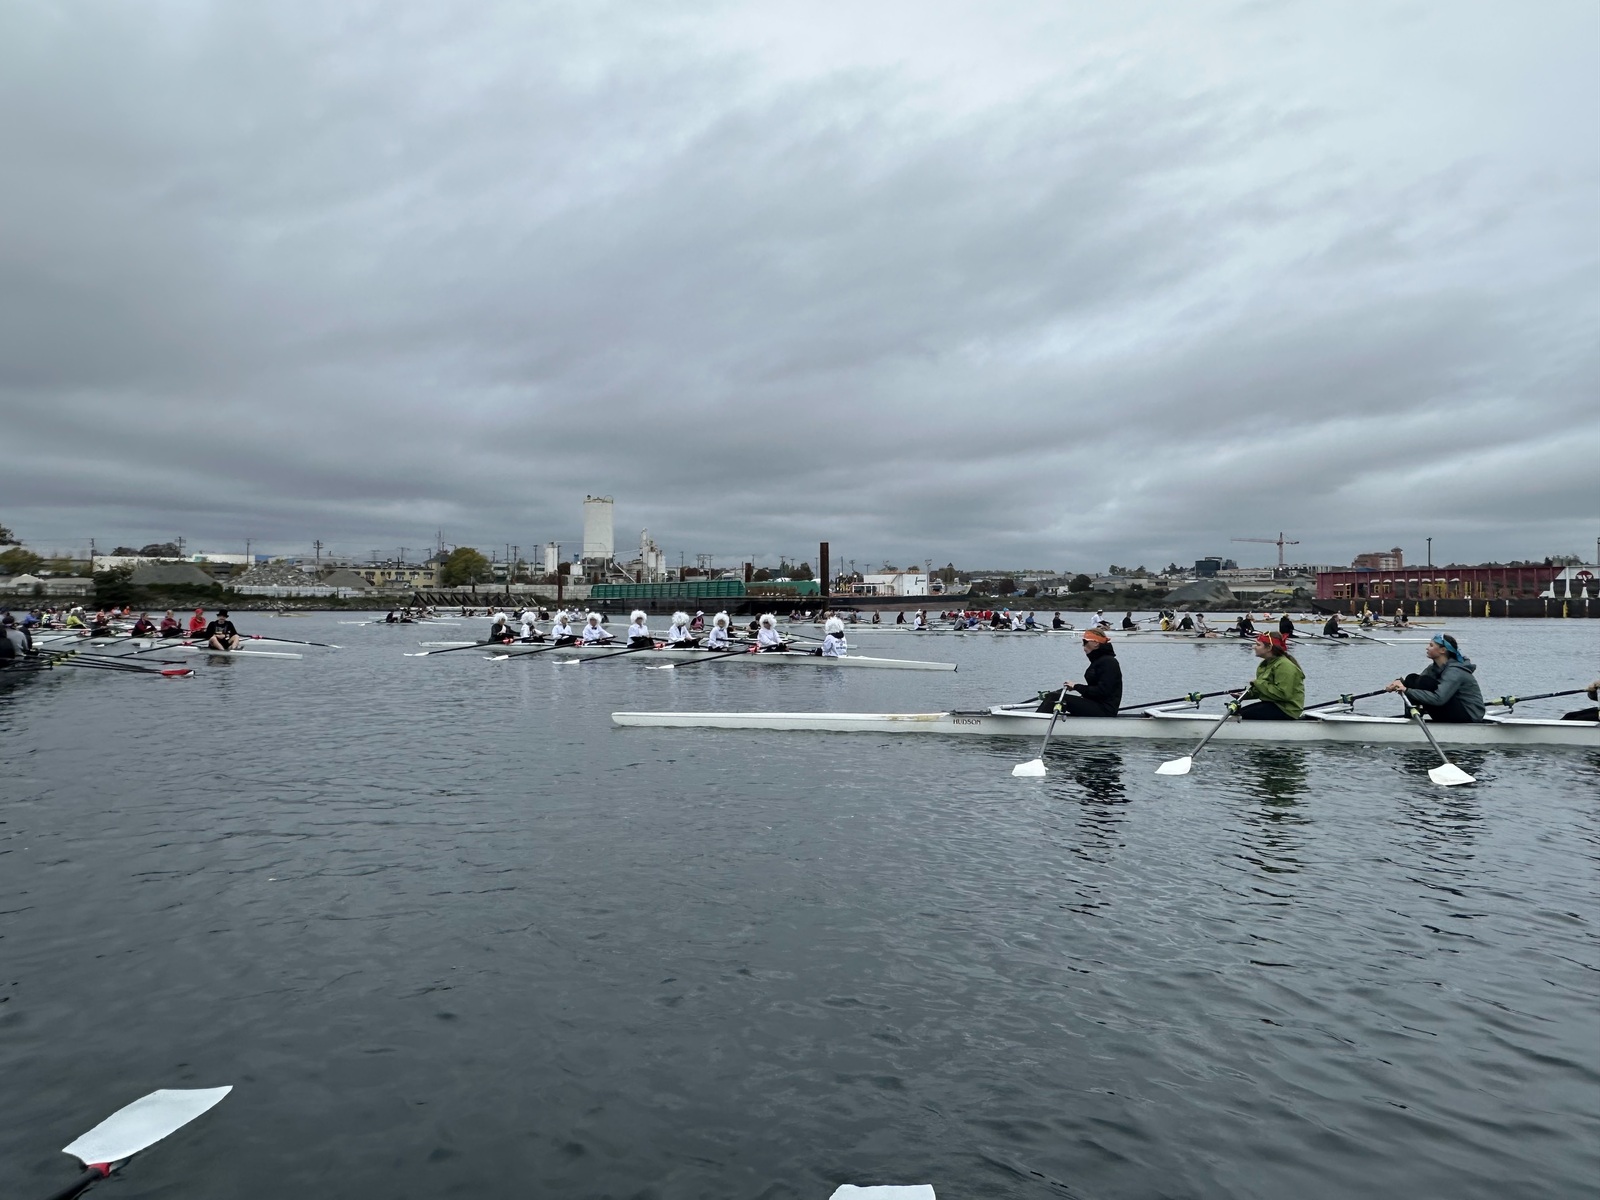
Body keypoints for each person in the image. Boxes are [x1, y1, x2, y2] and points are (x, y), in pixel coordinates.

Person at [1384, 634, 1484, 723]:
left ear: (1443, 650)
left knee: (1424, 681)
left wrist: (1406, 690)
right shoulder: (1433, 668)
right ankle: (1412, 717)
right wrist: (1399, 684)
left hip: (1469, 715)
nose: (1427, 648)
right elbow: (1415, 685)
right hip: (1452, 708)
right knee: (1411, 678)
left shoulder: (1455, 671)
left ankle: (1415, 717)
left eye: (1431, 646)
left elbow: (1439, 699)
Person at [1037, 628, 1123, 717]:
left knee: (1053, 698)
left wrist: (1076, 687)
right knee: (1054, 696)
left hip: (1105, 710)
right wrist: (1076, 689)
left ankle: (1035, 724)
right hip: (1097, 705)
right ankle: (1040, 721)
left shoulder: (1108, 662)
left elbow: (1102, 692)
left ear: (1096, 643)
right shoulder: (1100, 661)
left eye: (1085, 643)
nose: (1083, 647)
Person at [1231, 633, 1304, 720]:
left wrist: (1257, 683)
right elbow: (1264, 690)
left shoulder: (1284, 666)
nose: (1254, 647)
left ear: (1269, 648)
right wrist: (1246, 695)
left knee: (1241, 715)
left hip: (1287, 709)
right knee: (1236, 712)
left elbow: (1283, 694)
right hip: (1274, 704)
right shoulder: (1265, 664)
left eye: (1258, 645)